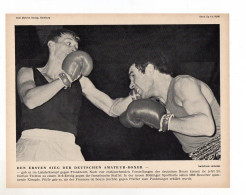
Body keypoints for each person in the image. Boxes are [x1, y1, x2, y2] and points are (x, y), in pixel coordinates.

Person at [16, 28, 133, 161]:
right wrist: (65, 79)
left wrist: (135, 96)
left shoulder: (80, 81)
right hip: (32, 143)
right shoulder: (27, 72)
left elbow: (112, 108)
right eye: (68, 43)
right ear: (51, 45)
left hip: (67, 148)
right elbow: (30, 100)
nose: (73, 49)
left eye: (76, 47)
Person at [119, 54, 221, 160]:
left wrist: (163, 122)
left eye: (133, 76)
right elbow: (113, 109)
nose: (131, 85)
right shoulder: (160, 102)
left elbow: (207, 127)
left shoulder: (183, 84)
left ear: (149, 70)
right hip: (201, 160)